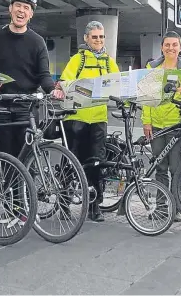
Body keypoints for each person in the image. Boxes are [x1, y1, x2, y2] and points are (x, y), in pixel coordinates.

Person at [0, 0, 63, 224]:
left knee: (26, 159)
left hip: (26, 107)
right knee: (6, 159)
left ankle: (22, 208)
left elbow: (44, 76)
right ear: (10, 9)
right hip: (2, 106)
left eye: (26, 8)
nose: (21, 10)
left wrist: (53, 90)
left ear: (31, 14)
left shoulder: (37, 41)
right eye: (18, 5)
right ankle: (11, 208)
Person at [59, 21, 120, 222]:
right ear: (86, 38)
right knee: (71, 162)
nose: (99, 40)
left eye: (101, 37)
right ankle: (64, 203)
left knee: (97, 164)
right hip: (76, 119)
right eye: (95, 37)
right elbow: (65, 82)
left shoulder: (109, 62)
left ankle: (95, 206)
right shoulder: (77, 60)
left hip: (99, 119)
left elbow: (119, 84)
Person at [141, 31, 181, 221]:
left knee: (176, 168)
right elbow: (146, 97)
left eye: (175, 45)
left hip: (176, 125)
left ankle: (177, 207)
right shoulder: (152, 67)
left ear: (180, 47)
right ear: (162, 47)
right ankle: (162, 207)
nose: (171, 48)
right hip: (156, 125)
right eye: (167, 45)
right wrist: (146, 121)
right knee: (160, 167)